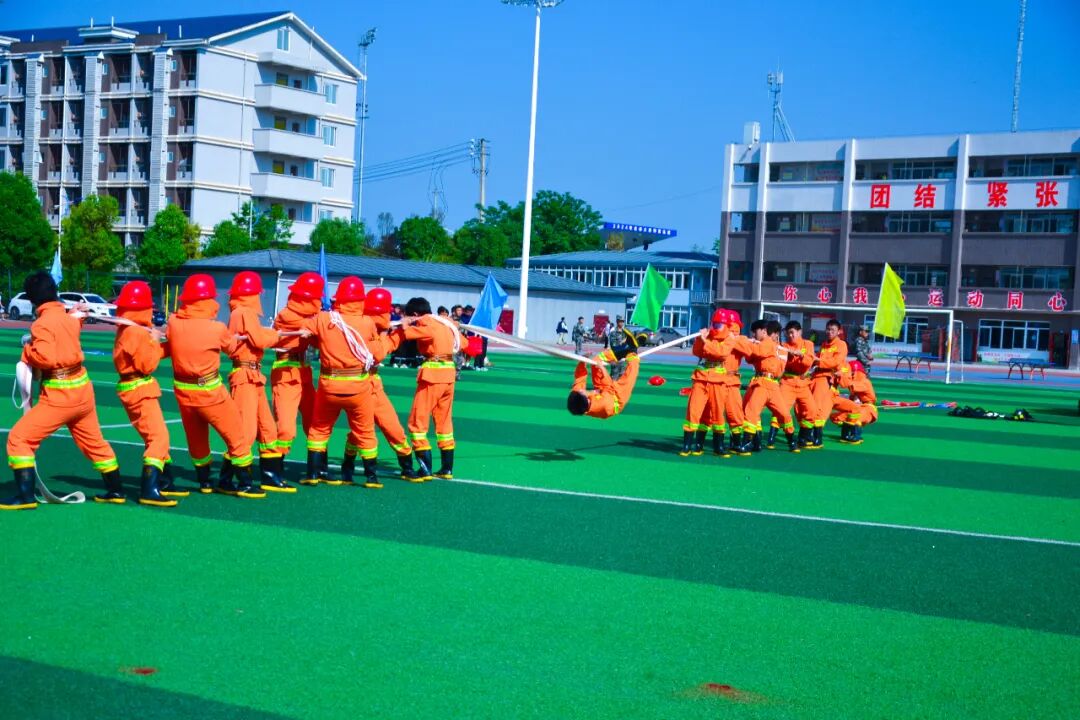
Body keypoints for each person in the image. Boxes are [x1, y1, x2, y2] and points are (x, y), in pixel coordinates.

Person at [2, 272, 121, 510]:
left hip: (59, 395)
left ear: (32, 299)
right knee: (95, 443)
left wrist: (27, 350)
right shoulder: (67, 317)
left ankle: (25, 496)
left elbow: (45, 358)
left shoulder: (42, 323)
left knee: (19, 439)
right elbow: (70, 326)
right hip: (83, 391)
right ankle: (115, 490)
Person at [167, 273, 262, 498]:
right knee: (236, 435)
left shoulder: (173, 322)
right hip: (210, 392)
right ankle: (245, 483)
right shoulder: (216, 328)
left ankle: (204, 482)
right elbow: (232, 348)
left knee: (196, 438)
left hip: (183, 392)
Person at [301, 277, 383, 487]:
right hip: (358, 386)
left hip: (329, 384)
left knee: (319, 430)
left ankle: (313, 474)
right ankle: (371, 477)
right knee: (365, 431)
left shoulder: (324, 318)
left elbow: (305, 332)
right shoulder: (367, 322)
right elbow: (378, 355)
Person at [112, 280, 177, 507]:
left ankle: (165, 481)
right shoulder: (135, 332)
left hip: (136, 388)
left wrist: (172, 345)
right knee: (158, 437)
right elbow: (147, 364)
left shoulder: (129, 329)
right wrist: (155, 340)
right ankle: (149, 489)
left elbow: (149, 354)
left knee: (158, 435)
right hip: (139, 389)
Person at [227, 271, 289, 492]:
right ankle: (233, 479)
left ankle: (269, 475)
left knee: (267, 428)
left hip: (253, 375)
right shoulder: (244, 312)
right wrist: (277, 335)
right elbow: (259, 339)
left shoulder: (241, 312)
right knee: (246, 430)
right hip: (245, 375)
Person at [393, 297, 461, 480]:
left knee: (417, 422)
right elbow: (465, 344)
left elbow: (409, 334)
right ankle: (447, 468)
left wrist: (405, 324)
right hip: (449, 375)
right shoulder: (446, 323)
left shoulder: (427, 322)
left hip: (432, 375)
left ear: (415, 314)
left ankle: (425, 469)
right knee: (444, 422)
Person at [270, 272, 323, 476]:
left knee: (315, 422)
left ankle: (318, 469)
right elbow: (316, 327)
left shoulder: (310, 316)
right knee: (285, 426)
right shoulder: (287, 315)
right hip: (286, 373)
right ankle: (274, 470)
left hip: (304, 372)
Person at [739, 320, 799, 453]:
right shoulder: (762, 344)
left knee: (783, 414)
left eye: (755, 332)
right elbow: (750, 358)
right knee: (752, 411)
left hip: (771, 383)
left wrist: (742, 341)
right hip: (761, 382)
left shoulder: (774, 346)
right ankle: (751, 442)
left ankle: (791, 440)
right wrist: (746, 343)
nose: (753, 335)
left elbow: (779, 369)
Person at [680, 309, 732, 456]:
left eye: (719, 325)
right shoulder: (707, 335)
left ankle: (718, 446)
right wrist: (699, 338)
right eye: (714, 324)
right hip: (701, 378)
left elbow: (721, 353)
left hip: (718, 381)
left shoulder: (729, 338)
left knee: (717, 413)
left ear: (726, 325)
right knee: (693, 410)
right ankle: (688, 445)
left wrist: (705, 341)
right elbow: (697, 352)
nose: (715, 327)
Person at [769, 320, 819, 449]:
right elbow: (783, 363)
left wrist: (800, 356)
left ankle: (803, 437)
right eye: (788, 333)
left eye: (792, 332)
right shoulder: (784, 345)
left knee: (812, 410)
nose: (790, 335)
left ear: (799, 332)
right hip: (788, 382)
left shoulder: (808, 344)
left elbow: (808, 362)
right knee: (781, 409)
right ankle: (771, 437)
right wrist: (791, 356)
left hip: (803, 384)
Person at [567, 340, 641, 419]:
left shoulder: (576, 396)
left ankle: (620, 351)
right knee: (630, 375)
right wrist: (602, 369)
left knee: (596, 362)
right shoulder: (603, 405)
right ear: (587, 400)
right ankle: (633, 351)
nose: (581, 390)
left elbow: (579, 377)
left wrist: (583, 360)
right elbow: (609, 387)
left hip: (601, 391)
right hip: (616, 399)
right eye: (582, 393)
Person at [809, 319, 849, 449]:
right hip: (816, 377)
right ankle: (809, 435)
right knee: (810, 406)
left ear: (839, 331)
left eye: (833, 330)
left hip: (826, 379)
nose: (829, 332)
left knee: (819, 408)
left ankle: (817, 438)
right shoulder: (824, 344)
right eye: (828, 329)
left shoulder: (841, 345)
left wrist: (818, 361)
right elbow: (818, 359)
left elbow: (835, 362)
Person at [831, 360, 877, 444]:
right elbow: (851, 397)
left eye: (851, 373)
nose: (850, 375)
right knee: (837, 417)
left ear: (855, 373)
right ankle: (845, 435)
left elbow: (849, 385)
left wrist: (842, 375)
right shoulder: (856, 383)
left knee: (857, 418)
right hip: (858, 407)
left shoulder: (865, 382)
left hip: (868, 409)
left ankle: (856, 436)